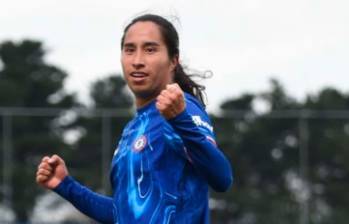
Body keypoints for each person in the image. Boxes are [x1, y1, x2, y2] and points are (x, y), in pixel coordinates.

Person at [36, 14, 233, 224]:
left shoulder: (181, 108)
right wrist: (65, 185)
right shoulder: (133, 129)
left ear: (173, 60)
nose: (137, 61)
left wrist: (180, 120)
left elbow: (222, 178)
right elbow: (124, 213)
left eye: (150, 49)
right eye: (130, 50)